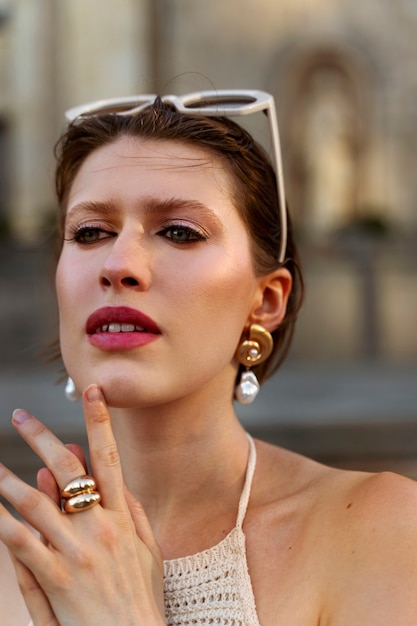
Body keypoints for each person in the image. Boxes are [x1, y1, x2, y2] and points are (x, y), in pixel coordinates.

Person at [0, 90, 416, 626]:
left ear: (265, 301)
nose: (118, 264)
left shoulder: (379, 531)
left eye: (179, 232)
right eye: (90, 232)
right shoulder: (15, 567)